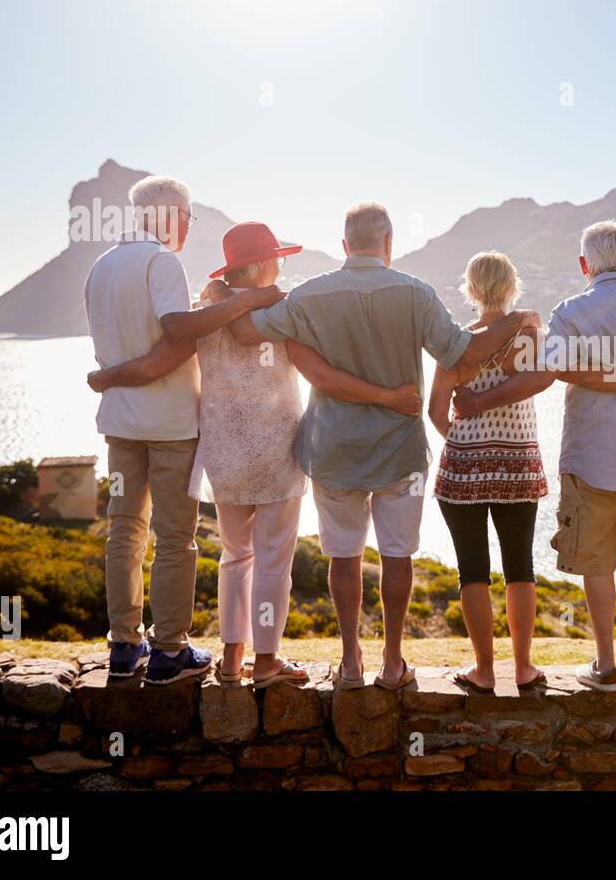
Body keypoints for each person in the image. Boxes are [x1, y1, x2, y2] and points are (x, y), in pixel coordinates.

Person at [90, 221, 420, 688]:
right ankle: (266, 662)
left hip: (222, 452)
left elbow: (163, 360)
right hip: (275, 451)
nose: (281, 266)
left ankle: (230, 659)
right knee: (272, 563)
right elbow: (317, 371)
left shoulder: (205, 311)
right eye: (278, 259)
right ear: (265, 264)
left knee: (234, 557)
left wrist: (108, 377)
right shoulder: (283, 312)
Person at [225, 202, 538, 691]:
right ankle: (393, 663)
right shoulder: (415, 293)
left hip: (333, 451)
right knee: (397, 557)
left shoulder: (310, 295)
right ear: (388, 243)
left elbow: (245, 331)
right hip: (399, 452)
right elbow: (468, 351)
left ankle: (350, 662)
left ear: (345, 244)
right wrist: (517, 319)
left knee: (343, 557)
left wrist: (251, 295)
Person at [451, 220, 616, 692]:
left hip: (591, 456)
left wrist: (477, 401)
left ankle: (605, 664)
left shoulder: (570, 311)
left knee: (596, 562)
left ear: (584, 265)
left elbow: (550, 372)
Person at [83, 176, 283, 684]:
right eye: (189, 218)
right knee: (175, 537)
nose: (189, 229)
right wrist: (242, 303)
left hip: (119, 423)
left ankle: (124, 647)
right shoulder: (162, 262)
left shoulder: (100, 267)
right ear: (171, 216)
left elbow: (131, 346)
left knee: (124, 533)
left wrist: (111, 378)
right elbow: (177, 331)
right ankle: (169, 651)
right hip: (170, 424)